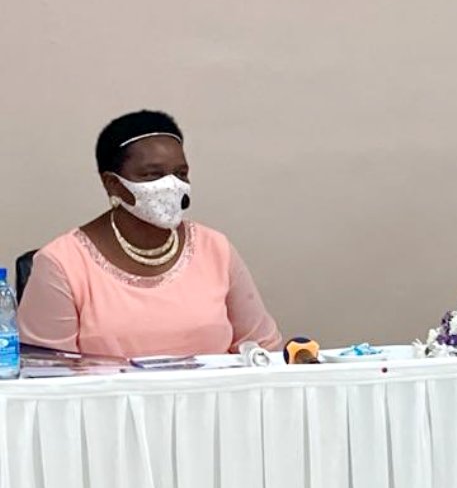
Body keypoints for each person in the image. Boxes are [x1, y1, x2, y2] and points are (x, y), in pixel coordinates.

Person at [18, 110, 282, 358]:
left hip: (212, 405)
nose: (172, 185)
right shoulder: (61, 263)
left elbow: (263, 350)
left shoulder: (215, 248)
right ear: (112, 184)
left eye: (181, 173)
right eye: (152, 175)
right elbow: (47, 376)